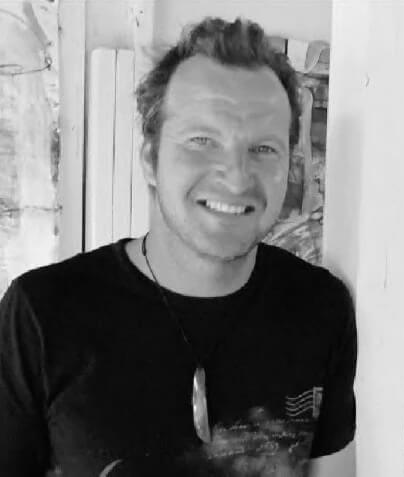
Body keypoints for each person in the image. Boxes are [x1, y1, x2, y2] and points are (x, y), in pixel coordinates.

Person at [0, 17, 357, 477]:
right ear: (151, 159)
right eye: (202, 141)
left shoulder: (321, 308)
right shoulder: (41, 314)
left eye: (264, 149)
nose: (236, 176)